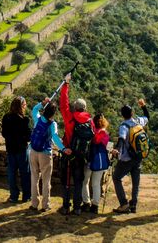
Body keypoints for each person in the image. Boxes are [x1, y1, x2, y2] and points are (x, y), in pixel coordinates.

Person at [58, 77, 95, 215]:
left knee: (66, 181)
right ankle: (77, 208)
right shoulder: (90, 121)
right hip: (82, 156)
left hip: (68, 153)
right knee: (79, 181)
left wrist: (65, 85)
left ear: (75, 107)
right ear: (85, 108)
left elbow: (63, 104)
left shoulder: (70, 117)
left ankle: (65, 207)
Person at [112, 98, 150, 213]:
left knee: (116, 177)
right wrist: (143, 106)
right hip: (138, 157)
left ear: (122, 115)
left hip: (127, 159)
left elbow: (122, 139)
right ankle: (133, 205)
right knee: (135, 182)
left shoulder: (124, 126)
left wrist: (117, 149)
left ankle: (124, 204)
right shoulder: (138, 121)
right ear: (132, 113)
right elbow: (147, 117)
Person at [29, 98, 65, 212]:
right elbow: (55, 137)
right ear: (53, 113)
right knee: (46, 180)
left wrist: (42, 103)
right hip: (45, 153)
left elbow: (34, 110)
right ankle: (45, 205)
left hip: (33, 151)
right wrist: (63, 148)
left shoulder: (38, 119)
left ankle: (34, 203)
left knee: (34, 178)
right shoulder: (52, 124)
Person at [1, 96, 32, 203]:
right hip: (22, 149)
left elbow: (4, 133)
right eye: (25, 104)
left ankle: (13, 196)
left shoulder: (6, 117)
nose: (26, 106)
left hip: (10, 149)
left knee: (11, 173)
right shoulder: (24, 120)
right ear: (21, 106)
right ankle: (26, 196)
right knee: (25, 173)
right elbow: (29, 137)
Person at [81, 113, 111, 213]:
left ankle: (86, 202)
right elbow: (106, 146)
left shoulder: (91, 132)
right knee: (96, 184)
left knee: (85, 182)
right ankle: (95, 206)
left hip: (90, 160)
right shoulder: (105, 133)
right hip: (100, 161)